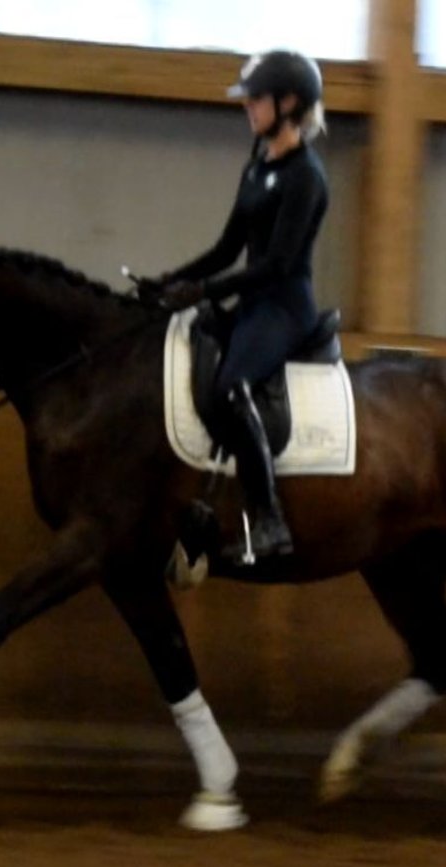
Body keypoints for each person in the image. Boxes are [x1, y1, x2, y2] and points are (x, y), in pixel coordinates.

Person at [144, 50, 330, 562]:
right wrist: (170, 281)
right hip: (251, 302)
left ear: (289, 103)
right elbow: (228, 249)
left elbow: (278, 264)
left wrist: (205, 292)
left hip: (284, 308)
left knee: (231, 387)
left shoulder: (306, 177)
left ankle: (269, 519)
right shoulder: (258, 165)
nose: (246, 106)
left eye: (256, 98)